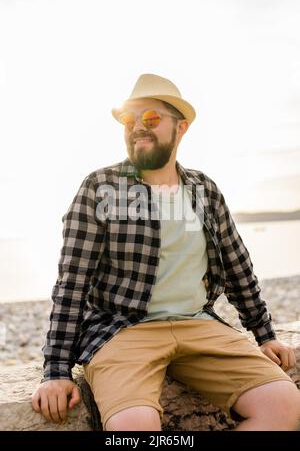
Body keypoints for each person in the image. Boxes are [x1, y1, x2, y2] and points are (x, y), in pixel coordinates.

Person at [32, 73, 300, 431]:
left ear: (181, 128)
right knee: (133, 428)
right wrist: (56, 370)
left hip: (198, 324)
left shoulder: (205, 190)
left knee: (282, 403)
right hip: (122, 331)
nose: (138, 127)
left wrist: (264, 333)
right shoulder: (99, 187)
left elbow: (238, 266)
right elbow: (72, 282)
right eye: (130, 120)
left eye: (152, 119)